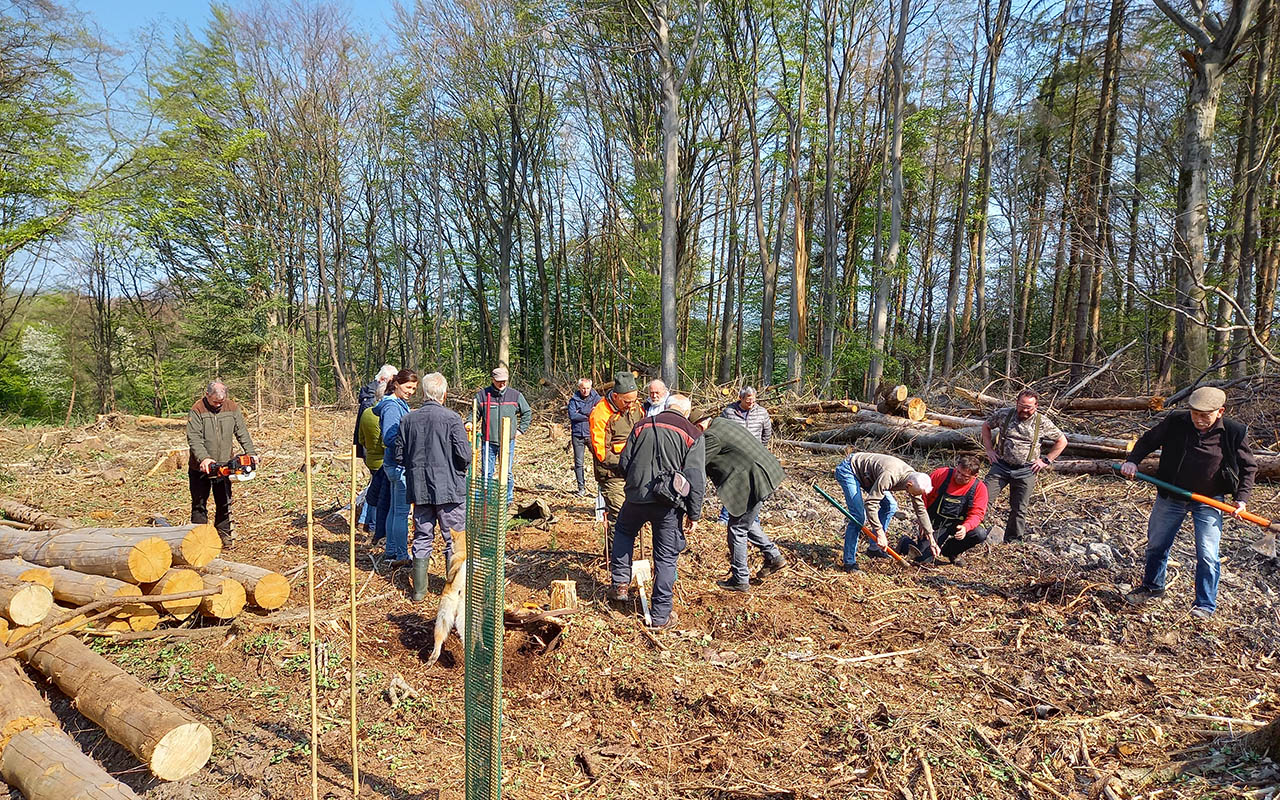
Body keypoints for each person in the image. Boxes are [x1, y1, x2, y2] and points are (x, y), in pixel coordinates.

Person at [1122, 387, 1257, 619]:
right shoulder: (1177, 422)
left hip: (1209, 500)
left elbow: (1249, 468)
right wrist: (1133, 461)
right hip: (1171, 496)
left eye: (1205, 415)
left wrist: (1241, 500)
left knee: (1208, 553)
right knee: (1157, 545)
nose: (1199, 420)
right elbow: (1147, 441)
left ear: (1220, 412)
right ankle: (1152, 588)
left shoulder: (1234, 432)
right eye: (1195, 414)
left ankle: (1205, 605)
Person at [610, 395, 705, 630]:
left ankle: (620, 583)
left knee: (623, 532)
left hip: (635, 497)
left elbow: (624, 462)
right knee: (665, 556)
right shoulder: (693, 434)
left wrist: (635, 482)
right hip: (668, 504)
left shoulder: (641, 425)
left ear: (666, 406)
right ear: (686, 411)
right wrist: (694, 513)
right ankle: (661, 616)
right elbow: (695, 478)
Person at [393, 373, 472, 602]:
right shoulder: (452, 418)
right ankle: (453, 590)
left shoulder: (408, 420)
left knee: (422, 537)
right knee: (453, 538)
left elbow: (399, 455)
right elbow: (464, 455)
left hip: (420, 489)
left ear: (424, 393)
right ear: (444, 395)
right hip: (450, 489)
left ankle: (419, 592)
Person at [695, 413, 787, 591]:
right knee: (746, 522)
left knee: (737, 529)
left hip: (752, 480)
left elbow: (696, 465)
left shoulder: (711, 436)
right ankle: (774, 556)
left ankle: (740, 579)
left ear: (700, 425)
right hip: (764, 472)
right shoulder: (722, 423)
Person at [980, 390, 1068, 543]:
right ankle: (972, 531)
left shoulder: (1042, 422)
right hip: (1001, 466)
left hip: (1026, 470)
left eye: (1029, 407)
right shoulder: (1004, 414)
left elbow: (1062, 441)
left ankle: (1013, 539)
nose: (1025, 410)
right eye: (1022, 406)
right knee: (983, 497)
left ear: (1036, 406)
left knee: (1019, 507)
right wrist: (989, 449)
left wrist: (1046, 460)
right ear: (1016, 403)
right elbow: (986, 426)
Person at [833, 452, 932, 571]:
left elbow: (920, 508)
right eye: (913, 493)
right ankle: (849, 562)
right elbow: (870, 504)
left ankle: (874, 549)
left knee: (890, 506)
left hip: (870, 477)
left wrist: (931, 538)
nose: (913, 496)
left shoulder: (914, 478)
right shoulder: (890, 475)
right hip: (850, 469)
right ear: (909, 485)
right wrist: (880, 533)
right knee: (858, 517)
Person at [186, 381, 257, 547]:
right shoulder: (197, 409)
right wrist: (203, 458)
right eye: (215, 402)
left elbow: (241, 431)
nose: (218, 405)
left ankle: (224, 537)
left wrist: (251, 453)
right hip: (200, 467)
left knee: (224, 502)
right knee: (199, 504)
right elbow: (194, 438)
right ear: (207, 395)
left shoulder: (231, 407)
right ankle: (199, 542)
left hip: (224, 465)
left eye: (221, 402)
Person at [896, 454, 990, 566]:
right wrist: (923, 522)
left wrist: (966, 527)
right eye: (958, 472)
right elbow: (922, 497)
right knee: (923, 560)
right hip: (934, 522)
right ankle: (905, 543)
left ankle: (951, 552)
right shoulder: (941, 474)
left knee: (979, 533)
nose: (959, 477)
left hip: (958, 524)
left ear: (975, 476)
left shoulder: (979, 488)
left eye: (964, 476)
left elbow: (977, 513)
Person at [589, 372, 644, 560]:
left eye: (633, 400)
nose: (631, 405)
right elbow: (602, 454)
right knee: (620, 514)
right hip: (612, 474)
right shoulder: (600, 413)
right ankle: (617, 558)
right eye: (627, 402)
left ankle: (628, 552)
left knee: (638, 512)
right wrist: (627, 461)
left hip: (634, 471)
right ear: (615, 396)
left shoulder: (636, 407)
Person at [375, 369, 418, 563]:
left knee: (394, 509)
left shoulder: (398, 404)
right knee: (401, 512)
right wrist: (412, 442)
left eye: (414, 389)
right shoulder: (391, 406)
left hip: (394, 464)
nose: (411, 391)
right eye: (408, 387)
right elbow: (390, 437)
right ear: (397, 384)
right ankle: (401, 554)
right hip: (398, 465)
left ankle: (391, 550)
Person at [473, 365, 531, 505]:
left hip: (507, 441)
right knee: (486, 472)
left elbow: (527, 413)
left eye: (504, 380)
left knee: (507, 472)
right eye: (499, 380)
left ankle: (508, 500)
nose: (502, 383)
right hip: (488, 441)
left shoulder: (515, 395)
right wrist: (469, 422)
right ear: (493, 379)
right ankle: (485, 500)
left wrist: (520, 430)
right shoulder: (482, 395)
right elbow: (474, 413)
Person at [355, 364, 397, 533]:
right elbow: (384, 439)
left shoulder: (368, 403)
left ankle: (365, 520)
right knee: (378, 492)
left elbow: (361, 436)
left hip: (371, 455)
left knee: (373, 487)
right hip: (379, 457)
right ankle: (373, 525)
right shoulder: (372, 406)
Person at [358, 399, 388, 545]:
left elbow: (361, 439)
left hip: (370, 460)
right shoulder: (386, 413)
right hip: (382, 462)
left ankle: (363, 520)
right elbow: (386, 443)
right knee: (380, 498)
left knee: (372, 491)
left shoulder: (366, 413)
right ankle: (374, 529)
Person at [567, 378, 601, 496]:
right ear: (579, 388)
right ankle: (581, 488)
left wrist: (580, 412)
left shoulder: (597, 399)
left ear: (591, 388)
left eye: (587, 388)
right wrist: (589, 414)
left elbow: (599, 414)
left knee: (599, 461)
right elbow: (572, 415)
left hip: (592, 434)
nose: (585, 391)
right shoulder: (573, 400)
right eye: (583, 388)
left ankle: (601, 487)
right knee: (579, 463)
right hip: (577, 435)